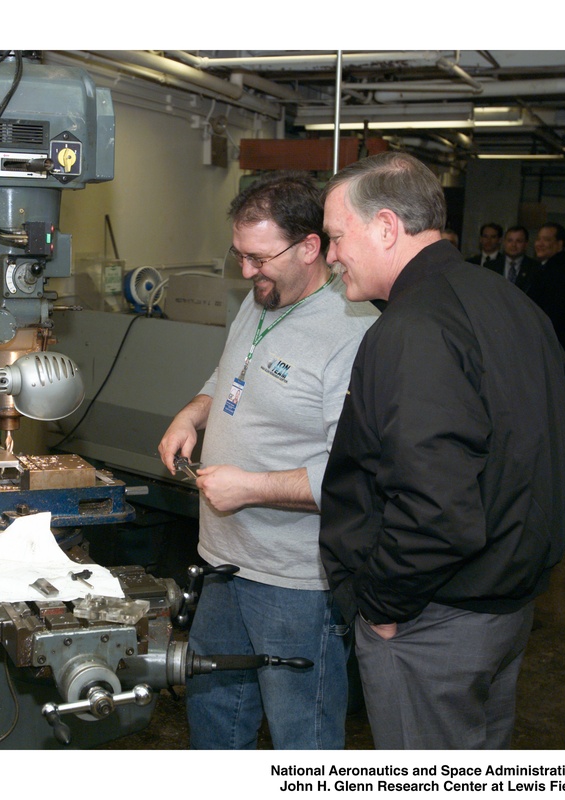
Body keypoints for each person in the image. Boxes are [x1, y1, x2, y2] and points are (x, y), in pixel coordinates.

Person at [319, 152, 565, 750]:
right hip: (504, 608)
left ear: (385, 227)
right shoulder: (512, 304)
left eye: (334, 237)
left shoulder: (415, 327)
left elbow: (435, 508)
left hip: (433, 620)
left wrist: (379, 605)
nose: (331, 256)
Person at [158, 170, 379, 749]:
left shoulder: (355, 333)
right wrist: (193, 414)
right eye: (239, 256)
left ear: (311, 247)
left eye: (259, 258)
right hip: (223, 561)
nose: (247, 272)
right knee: (215, 718)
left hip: (296, 583)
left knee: (300, 735)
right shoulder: (262, 299)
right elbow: (230, 374)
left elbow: (353, 474)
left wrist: (250, 488)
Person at [529, 222, 565, 354]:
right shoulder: (551, 266)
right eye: (538, 239)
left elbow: (554, 312)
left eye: (546, 240)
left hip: (551, 343)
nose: (539, 244)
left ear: (560, 244)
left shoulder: (561, 270)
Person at [499, 225, 539, 291]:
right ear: (504, 242)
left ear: (526, 244)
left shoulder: (535, 268)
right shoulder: (490, 266)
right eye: (510, 240)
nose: (513, 245)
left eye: (518, 241)